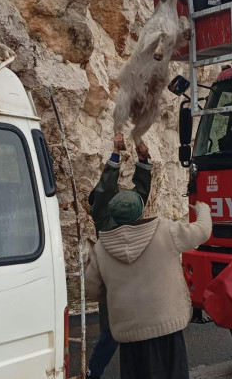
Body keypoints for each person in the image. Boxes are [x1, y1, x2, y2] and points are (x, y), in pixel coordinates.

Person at [84, 136, 213, 379]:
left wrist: (114, 292)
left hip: (127, 318)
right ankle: (93, 371)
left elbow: (92, 288)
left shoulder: (103, 240)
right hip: (163, 323)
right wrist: (117, 154)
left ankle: (92, 373)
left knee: (116, 343)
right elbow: (114, 190)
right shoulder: (161, 230)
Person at [85, 133, 153, 379]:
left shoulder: (104, 220)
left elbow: (105, 188)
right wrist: (142, 160)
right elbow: (140, 192)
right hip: (135, 286)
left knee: (110, 334)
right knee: (139, 333)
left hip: (112, 287)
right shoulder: (133, 220)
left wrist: (116, 153)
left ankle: (92, 372)